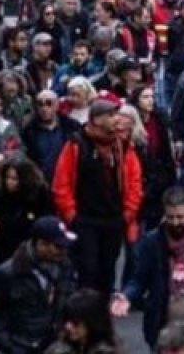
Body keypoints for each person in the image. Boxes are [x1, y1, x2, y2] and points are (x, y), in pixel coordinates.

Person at [52, 98, 144, 294]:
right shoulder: (76, 145)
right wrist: (71, 215)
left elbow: (135, 181)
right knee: (87, 270)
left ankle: (101, 313)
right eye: (110, 115)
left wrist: (128, 213)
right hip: (85, 219)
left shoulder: (123, 146)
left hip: (114, 219)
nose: (116, 119)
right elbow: (62, 183)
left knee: (107, 270)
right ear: (96, 119)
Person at [117, 186, 184, 347]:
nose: (175, 222)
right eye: (170, 217)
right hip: (162, 327)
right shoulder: (151, 242)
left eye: (180, 217)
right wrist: (126, 296)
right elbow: (139, 279)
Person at [0, 216, 77, 354]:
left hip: (54, 345)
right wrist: (9, 346)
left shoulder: (65, 267)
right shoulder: (8, 273)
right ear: (41, 244)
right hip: (20, 346)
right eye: (58, 246)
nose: (63, 251)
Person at [0, 157, 54, 270]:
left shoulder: (39, 196)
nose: (9, 182)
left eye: (14, 179)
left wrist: (4, 225)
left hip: (31, 251)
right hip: (5, 249)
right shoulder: (2, 196)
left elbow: (35, 223)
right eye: (7, 178)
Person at [44, 288, 119, 354]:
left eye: (75, 322)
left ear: (91, 323)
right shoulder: (58, 349)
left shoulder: (106, 351)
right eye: (67, 320)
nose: (68, 326)